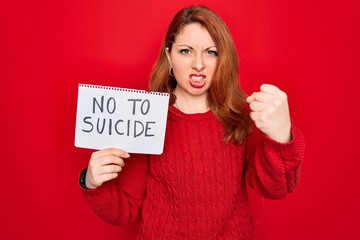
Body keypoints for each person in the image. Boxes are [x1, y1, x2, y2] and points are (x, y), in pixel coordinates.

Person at [79, 5, 305, 240]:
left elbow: (275, 188)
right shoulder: (147, 118)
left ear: (222, 58)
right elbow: (125, 211)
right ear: (169, 55)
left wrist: (281, 137)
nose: (198, 64)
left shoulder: (241, 115)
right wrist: (92, 181)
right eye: (186, 51)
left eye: (211, 52)